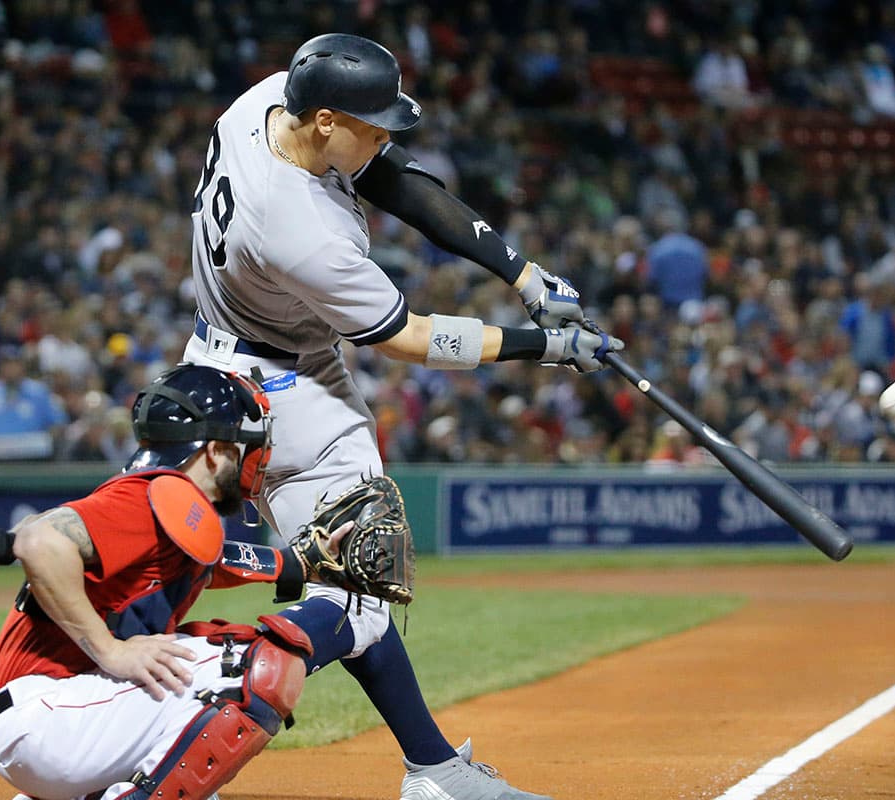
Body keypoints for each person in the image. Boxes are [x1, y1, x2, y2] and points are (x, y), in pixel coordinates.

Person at [183, 32, 623, 800]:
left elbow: (393, 179)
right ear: (326, 119)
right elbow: (409, 340)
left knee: (354, 590)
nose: (385, 138)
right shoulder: (301, 233)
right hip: (290, 392)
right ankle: (209, 697)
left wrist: (521, 272)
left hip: (222, 362)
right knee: (357, 598)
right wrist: (544, 346)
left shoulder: (266, 102)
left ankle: (434, 767)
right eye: (372, 125)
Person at [0, 364, 350, 800]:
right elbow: (38, 541)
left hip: (61, 717)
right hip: (45, 718)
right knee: (253, 664)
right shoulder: (144, 496)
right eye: (240, 448)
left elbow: (208, 563)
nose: (250, 460)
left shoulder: (170, 506)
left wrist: (297, 563)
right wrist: (111, 650)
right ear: (214, 452)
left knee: (193, 759)